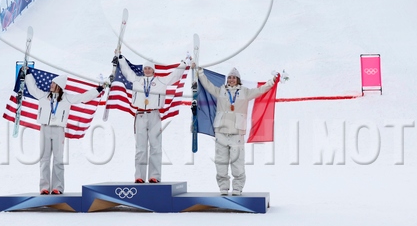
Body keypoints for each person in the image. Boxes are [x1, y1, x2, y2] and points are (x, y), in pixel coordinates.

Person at [196, 67, 277, 196]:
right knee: (221, 162)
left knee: (237, 163)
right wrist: (200, 73)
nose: (231, 80)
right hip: (221, 132)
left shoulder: (245, 92)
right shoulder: (221, 91)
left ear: (238, 80)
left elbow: (261, 90)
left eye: (234, 77)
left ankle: (237, 187)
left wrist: (272, 81)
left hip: (237, 134)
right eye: (229, 77)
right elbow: (208, 85)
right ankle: (223, 187)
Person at [22, 67, 104, 195]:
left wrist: (98, 89)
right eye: (51, 83)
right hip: (45, 128)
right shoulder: (43, 96)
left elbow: (83, 97)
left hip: (59, 130)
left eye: (54, 83)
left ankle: (57, 187)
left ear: (59, 86)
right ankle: (44, 187)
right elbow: (32, 89)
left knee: (58, 160)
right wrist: (27, 73)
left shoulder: (67, 98)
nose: (51, 85)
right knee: (44, 159)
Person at [115, 53, 189, 183]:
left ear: (153, 70)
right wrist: (120, 59)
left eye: (149, 68)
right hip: (140, 115)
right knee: (140, 148)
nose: (147, 70)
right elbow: (127, 71)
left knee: (155, 146)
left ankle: (154, 176)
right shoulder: (137, 80)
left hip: (154, 115)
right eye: (145, 68)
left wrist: (184, 64)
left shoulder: (160, 81)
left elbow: (174, 76)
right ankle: (139, 176)